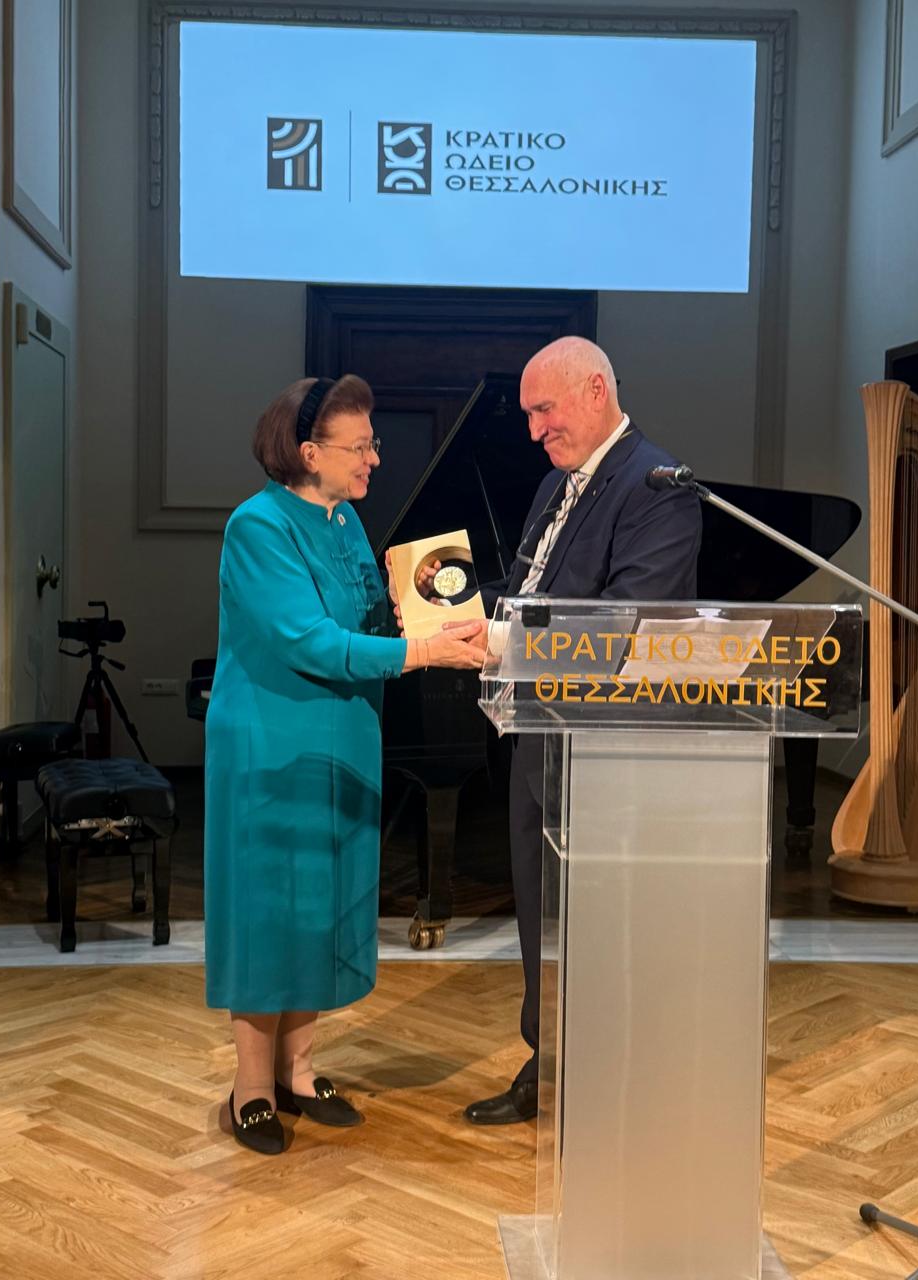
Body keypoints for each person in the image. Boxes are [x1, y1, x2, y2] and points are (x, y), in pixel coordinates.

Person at [204, 374, 484, 1155]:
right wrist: (423, 650)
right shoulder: (257, 527)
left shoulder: (346, 519)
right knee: (269, 911)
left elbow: (362, 621)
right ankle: (251, 1088)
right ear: (308, 452)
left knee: (322, 904)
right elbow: (309, 642)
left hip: (344, 736)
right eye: (359, 446)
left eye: (372, 443)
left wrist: (410, 607)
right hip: (273, 747)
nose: (374, 459)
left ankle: (298, 1072)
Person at [453, 336, 702, 1124]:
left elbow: (623, 625)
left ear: (596, 391)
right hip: (541, 735)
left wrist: (499, 642)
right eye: (529, 415)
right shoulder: (557, 485)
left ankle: (612, 1082)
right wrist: (460, 614)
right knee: (541, 911)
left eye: (544, 410)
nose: (533, 430)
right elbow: (531, 593)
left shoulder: (656, 486)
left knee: (599, 920)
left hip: (603, 749)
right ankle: (551, 1063)